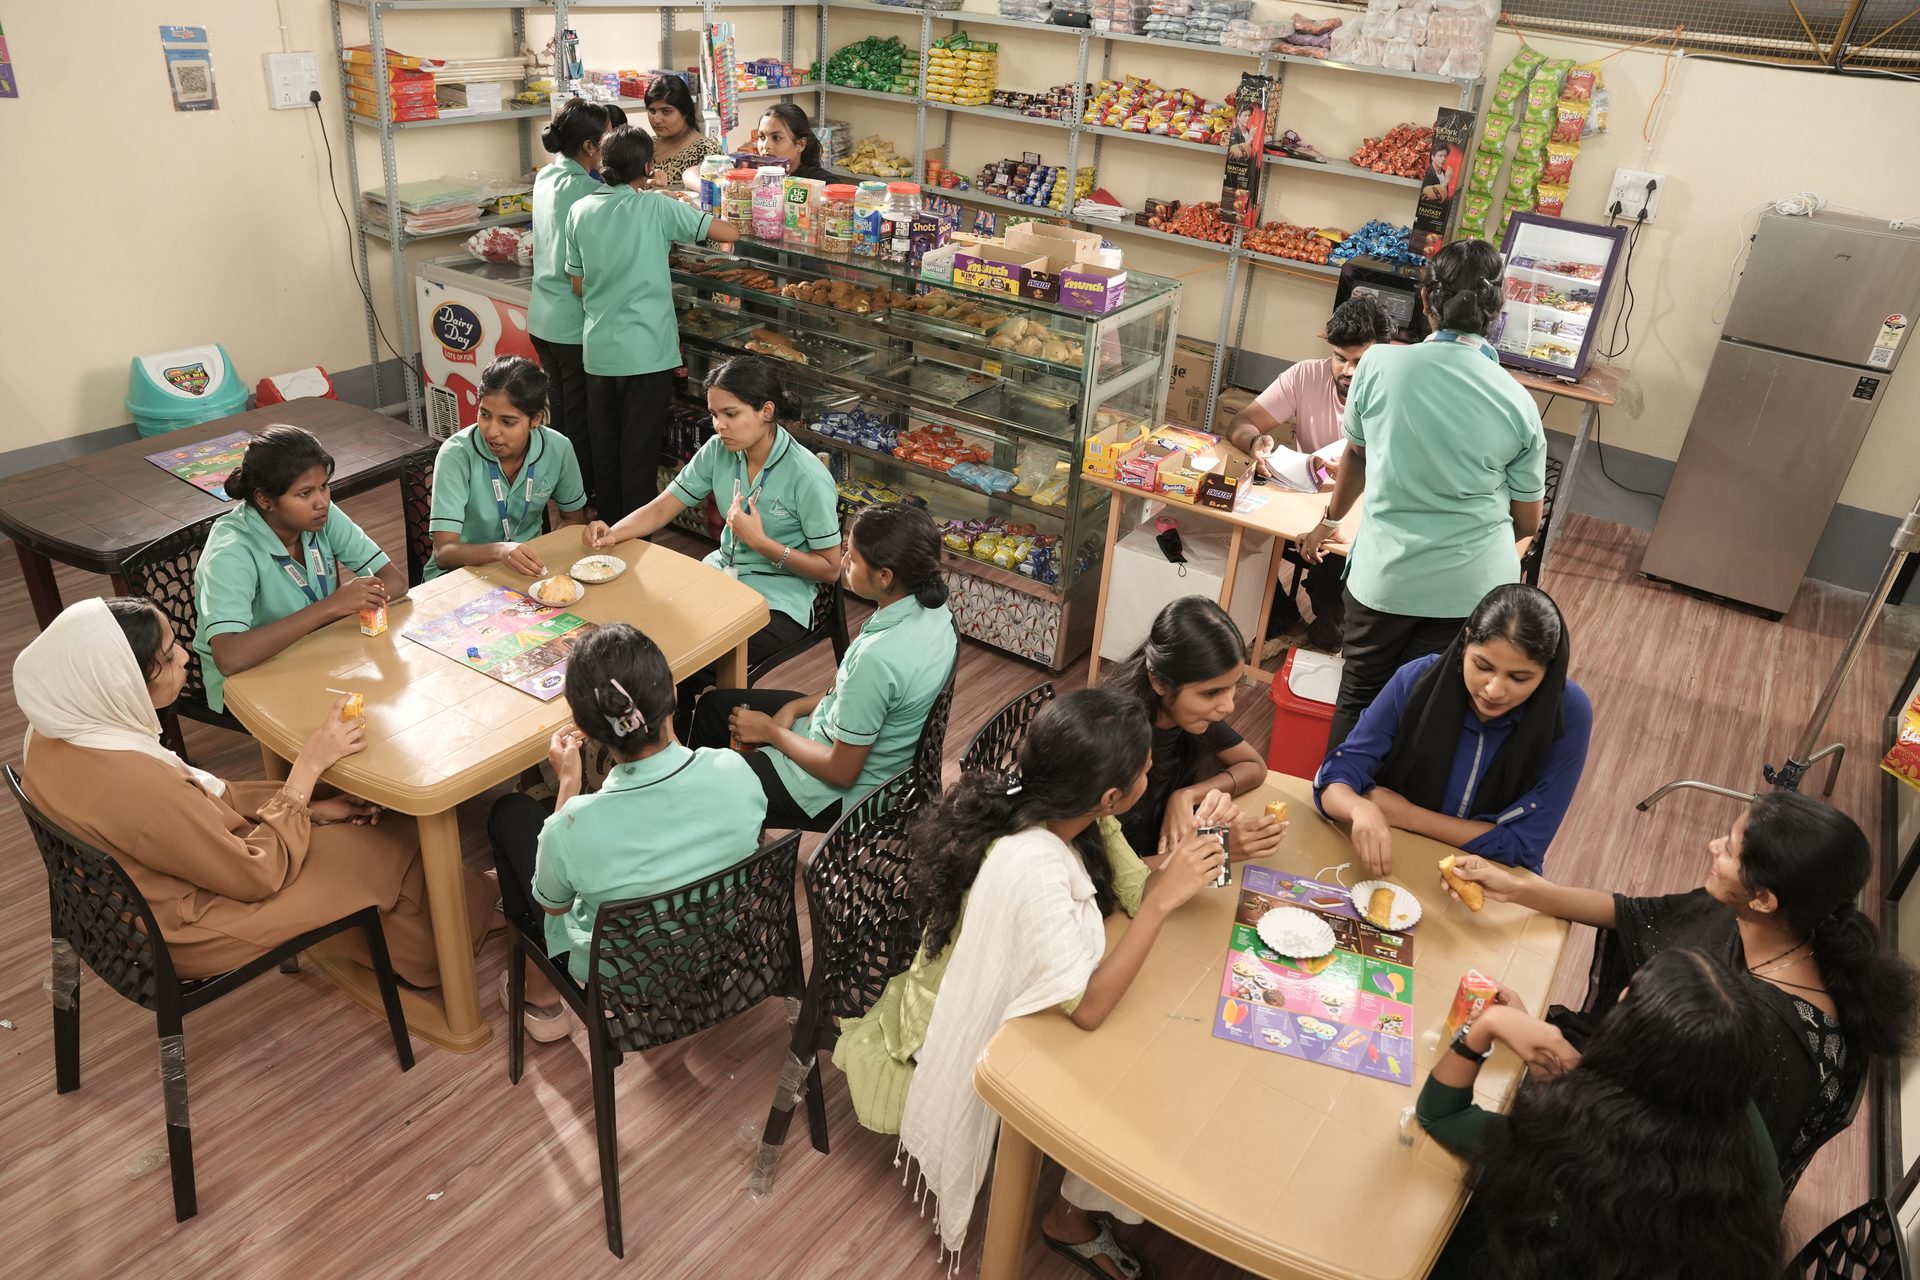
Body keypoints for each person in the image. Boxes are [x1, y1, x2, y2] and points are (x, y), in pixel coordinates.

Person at [836, 688, 1229, 1275]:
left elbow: (1131, 887)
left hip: (1036, 995)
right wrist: (1159, 906)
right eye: (1148, 771)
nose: (1155, 776)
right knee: (1138, 1080)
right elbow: (1090, 1007)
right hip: (948, 1021)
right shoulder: (1030, 865)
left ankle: (1082, 1201)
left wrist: (1200, 852)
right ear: (1110, 796)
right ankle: (1072, 1214)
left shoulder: (1077, 814)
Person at [1443, 790, 1920, 1184]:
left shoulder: (1764, 1039)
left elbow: (1651, 1145)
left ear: (1765, 897)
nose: (1713, 846)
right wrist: (1518, 889)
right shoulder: (1764, 920)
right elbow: (1637, 915)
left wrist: (1562, 1060)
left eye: (1730, 848)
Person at [17, 597, 490, 986]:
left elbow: (204, 801)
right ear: (119, 683)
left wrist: (312, 805)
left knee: (357, 829)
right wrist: (306, 769)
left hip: (126, 911)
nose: (184, 657)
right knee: (387, 836)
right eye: (167, 657)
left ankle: (429, 940)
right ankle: (446, 945)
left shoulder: (53, 732)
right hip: (190, 928)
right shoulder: (137, 787)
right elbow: (254, 874)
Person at [1297, 238, 1546, 750]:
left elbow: (1358, 457)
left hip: (1383, 577)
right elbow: (1527, 523)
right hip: (1469, 589)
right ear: (1497, 309)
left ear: (1426, 304)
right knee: (1432, 708)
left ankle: (1336, 804)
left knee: (1358, 696)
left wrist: (1330, 518)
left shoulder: (1378, 366)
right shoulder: (1519, 403)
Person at [1417, 948, 1783, 1279]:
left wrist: (1484, 1028)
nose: (1621, 995)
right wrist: (1573, 1069)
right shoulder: (1736, 1128)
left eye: (1627, 1004)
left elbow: (1442, 1115)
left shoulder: (1576, 1144)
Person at [487, 622, 767, 1039]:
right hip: (720, 940)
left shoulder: (573, 825)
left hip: (624, 973)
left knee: (510, 813)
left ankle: (540, 993)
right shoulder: (734, 770)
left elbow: (553, 905)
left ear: (585, 729)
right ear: (673, 694)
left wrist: (567, 783)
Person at [582, 355, 842, 720]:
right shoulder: (720, 450)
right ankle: (669, 740)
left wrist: (763, 544)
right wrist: (613, 532)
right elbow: (663, 507)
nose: (720, 425)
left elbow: (830, 569)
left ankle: (673, 740)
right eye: (714, 415)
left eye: (731, 414)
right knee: (650, 637)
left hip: (780, 599)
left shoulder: (807, 477)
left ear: (767, 411)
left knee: (679, 657)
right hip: (719, 578)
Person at [690, 503, 957, 830]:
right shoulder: (935, 612)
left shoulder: (880, 656)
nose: (843, 561)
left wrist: (771, 732)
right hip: (863, 747)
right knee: (714, 708)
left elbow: (841, 773)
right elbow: (862, 696)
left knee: (707, 780)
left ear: (885, 577)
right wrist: (795, 707)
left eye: (854, 558)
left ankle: (713, 838)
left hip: (843, 791)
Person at [1314, 583, 1590, 877]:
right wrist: (1359, 808)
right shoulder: (1418, 681)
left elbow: (1523, 845)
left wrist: (1409, 816)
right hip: (1393, 860)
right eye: (1482, 666)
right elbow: (1333, 778)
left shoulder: (1567, 713)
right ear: (1465, 642)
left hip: (1492, 878)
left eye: (1519, 678)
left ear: (1549, 673)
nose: (1494, 690)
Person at [566, 125, 740, 524]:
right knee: (639, 454)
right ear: (647, 166)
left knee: (606, 449)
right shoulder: (657, 206)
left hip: (599, 352)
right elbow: (727, 232)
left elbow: (578, 285)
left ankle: (607, 536)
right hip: (646, 353)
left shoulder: (580, 210)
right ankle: (636, 545)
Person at [193, 425, 408, 715]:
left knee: (392, 698)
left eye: (324, 486)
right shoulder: (231, 552)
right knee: (354, 721)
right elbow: (231, 657)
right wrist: (331, 607)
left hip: (316, 653)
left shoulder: (320, 515)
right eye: (305, 493)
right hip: (249, 679)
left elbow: (394, 581)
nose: (322, 502)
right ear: (265, 500)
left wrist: (343, 606)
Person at [1227, 294, 1394, 654]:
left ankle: (1331, 631)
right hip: (1303, 506)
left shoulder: (1398, 393)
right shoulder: (1306, 375)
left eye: (1360, 361)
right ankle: (1284, 621)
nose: (1348, 371)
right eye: (1340, 358)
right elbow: (1241, 423)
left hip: (1363, 517)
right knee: (1238, 537)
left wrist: (1359, 473)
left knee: (1334, 576)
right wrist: (1256, 442)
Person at [1102, 596, 1286, 867]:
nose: (1229, 705)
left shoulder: (1186, 713)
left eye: (1234, 684)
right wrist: (1217, 849)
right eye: (1212, 692)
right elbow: (1110, 877)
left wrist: (1187, 796)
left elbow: (1254, 766)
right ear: (1159, 683)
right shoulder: (1117, 746)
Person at [425, 355, 587, 579]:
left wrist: (542, 559)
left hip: (524, 574)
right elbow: (444, 553)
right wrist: (501, 551)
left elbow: (572, 520)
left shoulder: (558, 449)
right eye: (484, 414)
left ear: (536, 419)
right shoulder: (456, 454)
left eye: (507, 421)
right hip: (461, 578)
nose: (492, 431)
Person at [529, 97, 614, 499]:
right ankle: (578, 499)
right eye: (607, 140)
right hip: (571, 320)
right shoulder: (588, 189)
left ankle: (561, 493)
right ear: (589, 147)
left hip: (542, 316)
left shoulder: (546, 176)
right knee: (578, 420)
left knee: (560, 414)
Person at [644, 74, 720, 188]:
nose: (657, 119)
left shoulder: (707, 152)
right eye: (652, 111)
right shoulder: (647, 145)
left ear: (685, 112)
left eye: (666, 112)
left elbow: (715, 198)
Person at [755, 104, 839, 182]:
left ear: (800, 144)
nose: (765, 146)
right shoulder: (753, 178)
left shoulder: (823, 182)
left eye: (777, 138)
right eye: (762, 137)